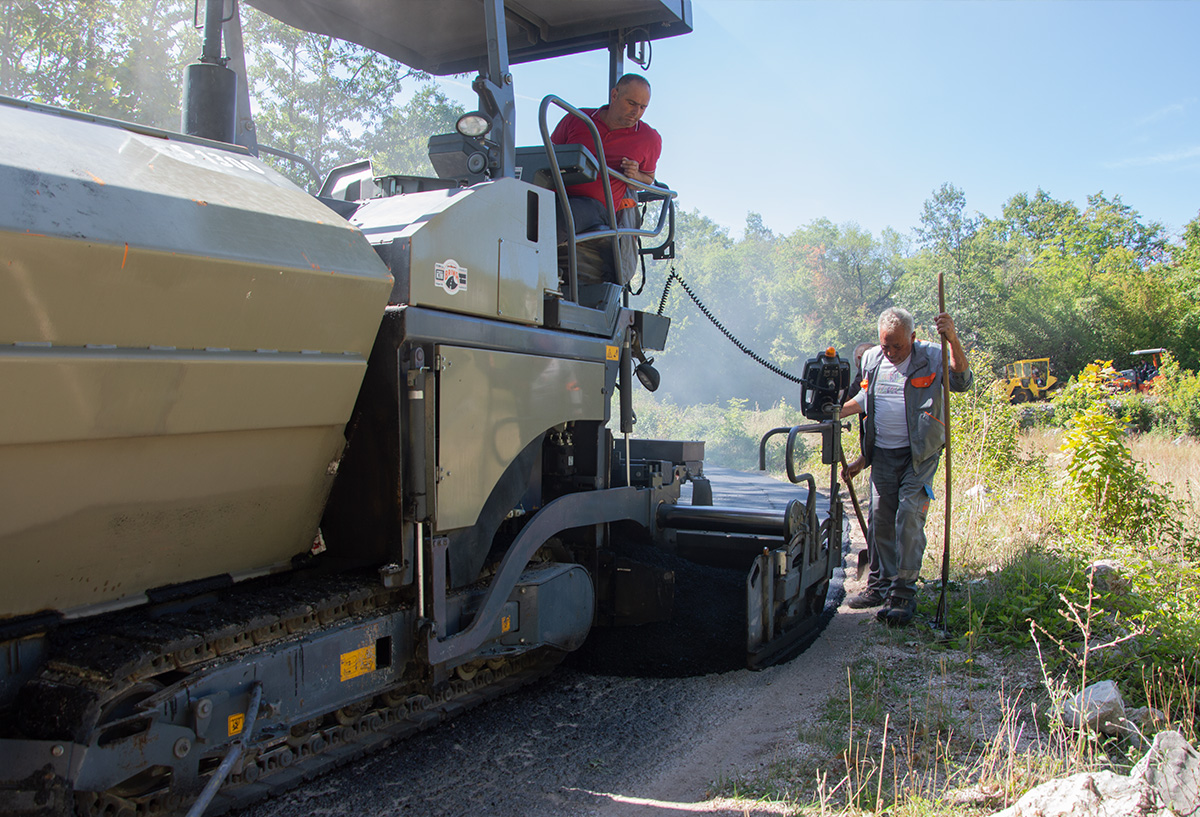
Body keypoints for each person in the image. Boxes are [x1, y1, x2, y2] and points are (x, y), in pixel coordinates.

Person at [840, 307, 972, 626]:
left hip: (919, 454)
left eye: (898, 346)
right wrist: (834, 412)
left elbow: (961, 381)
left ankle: (903, 592)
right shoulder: (872, 358)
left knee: (909, 514)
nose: (891, 352)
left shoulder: (932, 355)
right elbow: (864, 398)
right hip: (882, 453)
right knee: (881, 517)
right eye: (886, 345)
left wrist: (952, 339)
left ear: (912, 337)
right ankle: (880, 584)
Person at [550, 74, 661, 281]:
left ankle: (538, 272)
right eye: (631, 103)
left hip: (597, 207)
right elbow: (549, 152)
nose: (636, 112)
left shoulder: (649, 138)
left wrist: (635, 174)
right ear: (614, 95)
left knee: (558, 218)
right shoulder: (577, 118)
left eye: (643, 107)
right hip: (556, 191)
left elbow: (648, 178)